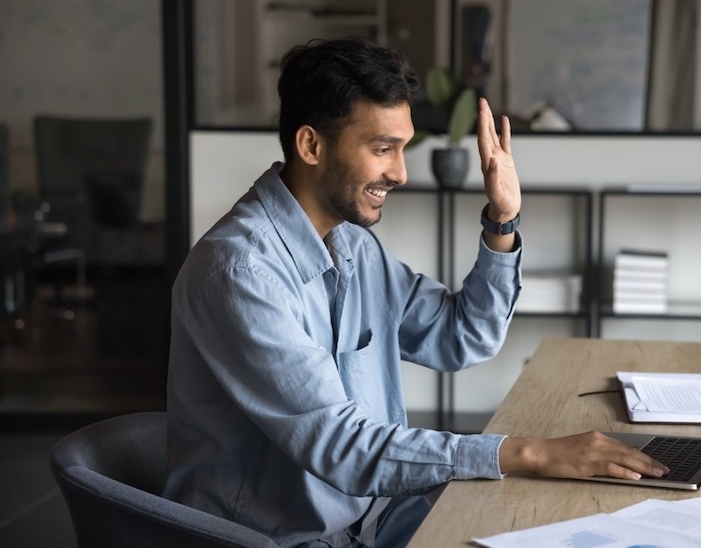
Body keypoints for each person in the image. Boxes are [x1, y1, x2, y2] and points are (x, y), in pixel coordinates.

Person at [164, 37, 668, 548]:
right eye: (382, 149)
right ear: (311, 145)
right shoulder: (240, 272)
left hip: (379, 522)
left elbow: (461, 337)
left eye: (402, 149)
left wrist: (501, 220)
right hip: (282, 538)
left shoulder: (354, 244)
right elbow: (344, 449)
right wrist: (530, 453)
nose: (400, 173)